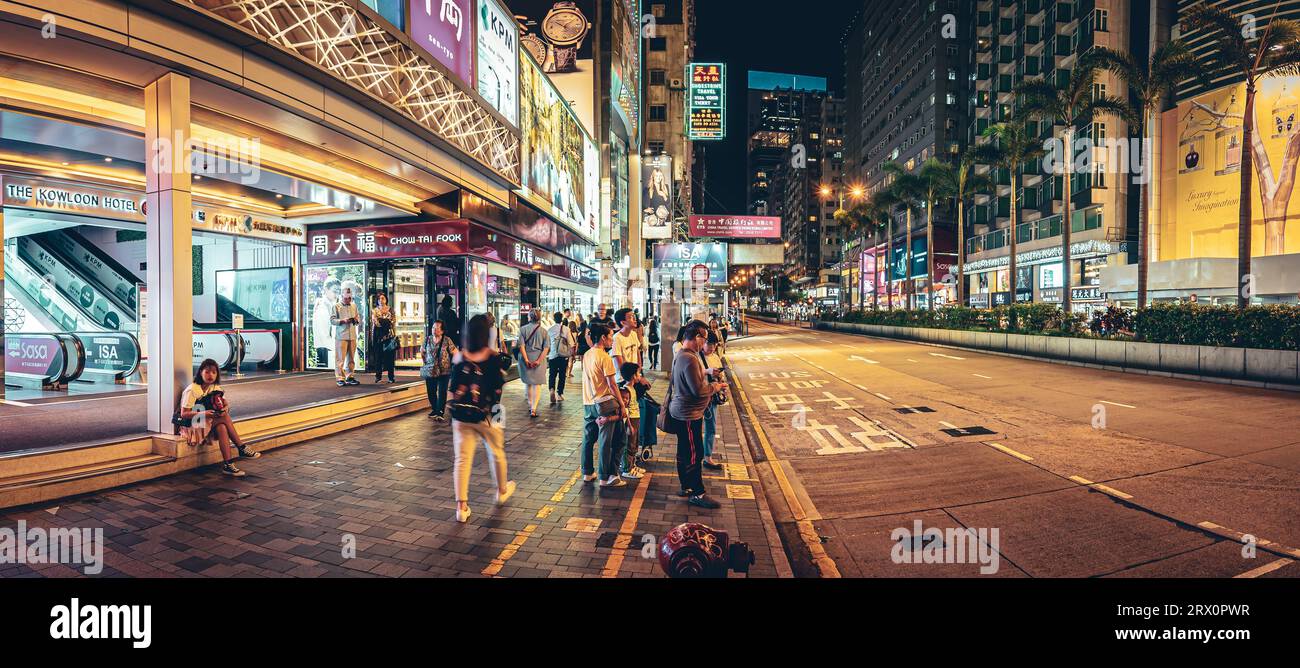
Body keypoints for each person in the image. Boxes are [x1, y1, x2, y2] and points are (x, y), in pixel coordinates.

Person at [447, 314, 517, 524]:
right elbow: (498, 391)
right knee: (497, 452)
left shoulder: (459, 357)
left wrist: (452, 414)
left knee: (462, 460)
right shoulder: (494, 357)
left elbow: (452, 388)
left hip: (461, 416)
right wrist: (498, 420)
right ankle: (501, 491)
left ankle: (461, 507)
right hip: (488, 414)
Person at [669, 322, 726, 509]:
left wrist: (707, 372)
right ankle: (697, 493)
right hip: (688, 413)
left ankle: (686, 486)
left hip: (682, 411)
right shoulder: (690, 358)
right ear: (698, 337)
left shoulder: (682, 354)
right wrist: (715, 387)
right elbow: (698, 390)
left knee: (684, 450)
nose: (705, 342)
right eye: (704, 338)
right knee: (694, 453)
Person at [178, 359, 261, 477]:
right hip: (193, 424)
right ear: (200, 372)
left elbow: (225, 403)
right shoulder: (192, 389)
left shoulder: (214, 387)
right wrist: (206, 413)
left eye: (213, 372)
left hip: (208, 420)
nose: (210, 375)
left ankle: (228, 464)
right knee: (224, 418)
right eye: (207, 372)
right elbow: (184, 414)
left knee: (222, 426)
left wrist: (225, 408)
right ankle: (241, 447)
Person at [581, 324, 628, 488]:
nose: (611, 340)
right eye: (610, 337)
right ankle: (605, 477)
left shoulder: (587, 354)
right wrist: (622, 405)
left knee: (588, 439)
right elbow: (612, 385)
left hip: (588, 402)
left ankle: (587, 473)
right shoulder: (605, 357)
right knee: (607, 441)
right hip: (605, 402)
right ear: (602, 337)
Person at [618, 362, 650, 479]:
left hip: (635, 418)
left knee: (634, 444)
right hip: (630, 420)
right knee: (629, 445)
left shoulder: (632, 388)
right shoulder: (626, 390)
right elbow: (625, 410)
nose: (640, 375)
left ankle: (632, 465)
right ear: (633, 376)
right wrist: (629, 425)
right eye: (638, 373)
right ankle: (626, 469)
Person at [516, 309, 549, 419]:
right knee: (537, 384)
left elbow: (521, 346)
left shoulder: (522, 330)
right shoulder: (544, 331)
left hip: (526, 358)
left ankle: (530, 405)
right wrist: (538, 361)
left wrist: (526, 360)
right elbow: (546, 348)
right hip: (539, 358)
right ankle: (534, 408)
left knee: (528, 383)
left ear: (529, 317)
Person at [422, 319, 457, 420]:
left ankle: (440, 412)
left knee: (442, 391)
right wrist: (426, 363)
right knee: (431, 391)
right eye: (433, 328)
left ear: (442, 331)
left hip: (444, 370)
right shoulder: (427, 339)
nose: (434, 330)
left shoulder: (447, 340)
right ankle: (434, 409)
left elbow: (455, 353)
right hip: (430, 370)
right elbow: (423, 352)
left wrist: (454, 363)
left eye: (437, 328)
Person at [700, 330, 725, 471]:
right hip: (699, 396)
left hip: (713, 396)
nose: (711, 347)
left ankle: (707, 457)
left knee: (711, 427)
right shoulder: (696, 357)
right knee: (695, 427)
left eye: (714, 344)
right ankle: (696, 455)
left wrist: (722, 384)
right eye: (709, 344)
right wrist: (708, 371)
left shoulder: (716, 356)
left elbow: (720, 375)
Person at [331, 286, 362, 387]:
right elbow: (332, 320)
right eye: (346, 298)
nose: (348, 300)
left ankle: (350, 376)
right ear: (341, 296)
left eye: (349, 298)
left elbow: (358, 317)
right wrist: (343, 321)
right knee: (340, 359)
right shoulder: (336, 306)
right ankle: (340, 378)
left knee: (351, 358)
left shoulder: (354, 306)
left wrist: (356, 320)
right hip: (341, 336)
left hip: (352, 335)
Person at [547, 311, 575, 405]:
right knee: (562, 375)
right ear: (562, 319)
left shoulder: (550, 329)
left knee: (552, 374)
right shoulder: (566, 329)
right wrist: (572, 354)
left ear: (554, 319)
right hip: (563, 356)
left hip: (552, 355)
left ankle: (551, 389)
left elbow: (547, 344)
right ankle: (559, 394)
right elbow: (571, 343)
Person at [312, 278, 338, 369]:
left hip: (326, 348)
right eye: (334, 291)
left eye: (338, 291)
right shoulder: (323, 306)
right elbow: (324, 334)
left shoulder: (328, 304)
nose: (336, 294)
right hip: (326, 349)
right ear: (326, 289)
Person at [611, 308, 642, 382]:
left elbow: (638, 355)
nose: (635, 319)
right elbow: (620, 364)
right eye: (631, 317)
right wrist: (631, 377)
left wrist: (638, 373)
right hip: (623, 379)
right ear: (623, 322)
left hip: (635, 377)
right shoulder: (616, 338)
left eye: (634, 316)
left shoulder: (633, 334)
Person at [372, 293, 397, 384]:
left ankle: (391, 377)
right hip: (378, 334)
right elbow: (376, 322)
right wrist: (386, 322)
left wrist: (394, 333)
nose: (381, 300)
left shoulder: (391, 310)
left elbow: (393, 322)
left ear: (386, 299)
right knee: (378, 356)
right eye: (379, 299)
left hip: (389, 335)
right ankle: (378, 377)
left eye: (382, 298)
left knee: (390, 356)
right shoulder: (375, 310)